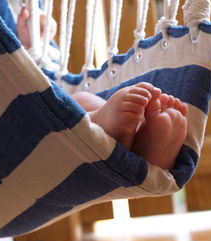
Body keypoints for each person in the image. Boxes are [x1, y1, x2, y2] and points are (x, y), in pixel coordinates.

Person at [17, 7, 188, 169]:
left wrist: (31, 42)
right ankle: (99, 124)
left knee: (80, 100)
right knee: (68, 108)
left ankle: (136, 138)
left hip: (22, 102)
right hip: (18, 137)